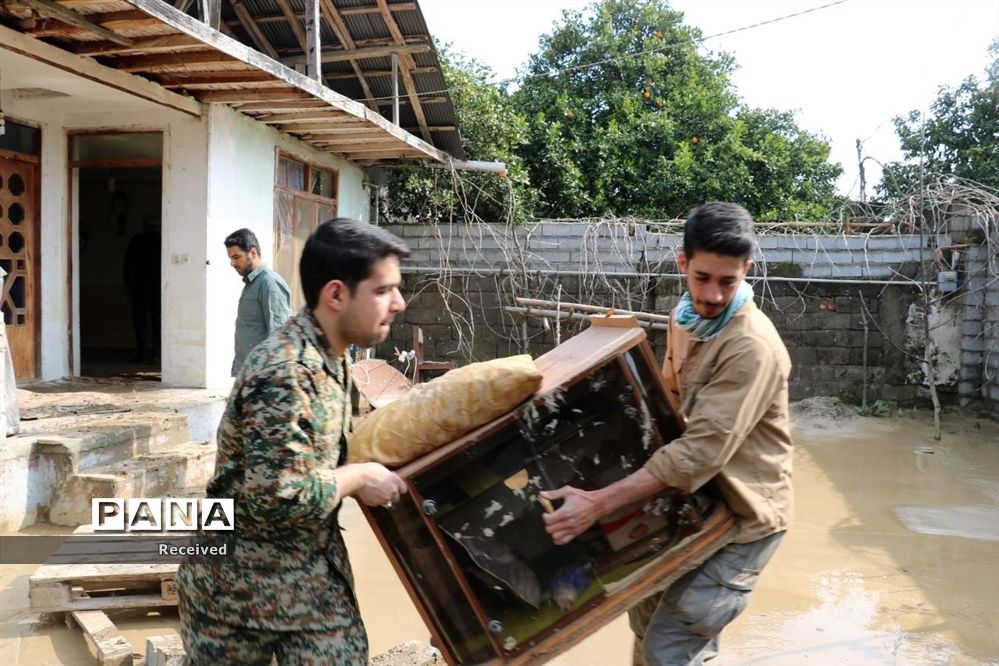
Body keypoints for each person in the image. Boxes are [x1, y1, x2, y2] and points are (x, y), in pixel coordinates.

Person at [541, 202, 793, 666]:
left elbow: (696, 454)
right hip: (692, 503)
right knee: (644, 619)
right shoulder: (686, 320)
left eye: (727, 281)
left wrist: (598, 503)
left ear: (747, 271)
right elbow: (665, 411)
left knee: (669, 649)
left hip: (744, 518)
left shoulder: (751, 347)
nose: (713, 295)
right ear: (683, 264)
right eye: (702, 278)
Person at [177, 218, 411, 664]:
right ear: (337, 295)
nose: (398, 303)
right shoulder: (284, 372)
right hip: (240, 595)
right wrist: (358, 476)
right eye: (383, 290)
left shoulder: (331, 354)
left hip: (301, 574)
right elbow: (276, 498)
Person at [224, 228, 292, 375]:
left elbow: (279, 335)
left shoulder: (270, 283)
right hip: (248, 372)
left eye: (236, 257)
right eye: (230, 258)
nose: (232, 263)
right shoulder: (252, 284)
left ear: (253, 253)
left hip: (262, 376)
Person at [122, 215, 161, 363]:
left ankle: (141, 351)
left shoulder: (137, 240)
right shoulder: (162, 241)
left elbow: (127, 263)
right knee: (157, 320)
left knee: (139, 320)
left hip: (139, 285)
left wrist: (126, 283)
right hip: (157, 286)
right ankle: (156, 353)